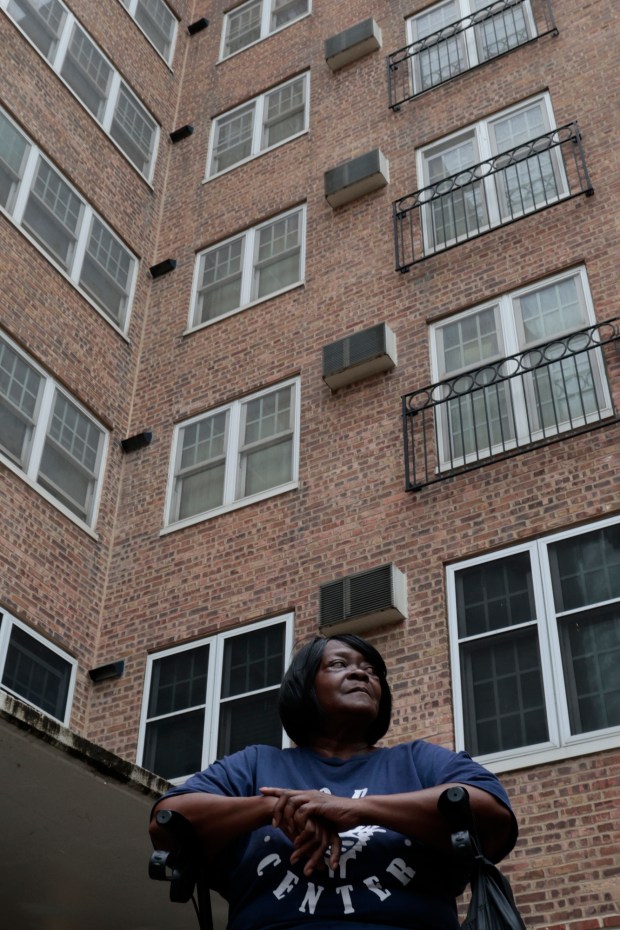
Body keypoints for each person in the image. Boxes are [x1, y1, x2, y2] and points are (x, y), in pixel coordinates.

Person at [149, 633, 518, 930]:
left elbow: (490, 812)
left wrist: (356, 809)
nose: (362, 675)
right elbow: (167, 818)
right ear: (305, 687)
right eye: (339, 665)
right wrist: (277, 808)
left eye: (371, 671)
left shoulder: (416, 761)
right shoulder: (257, 765)